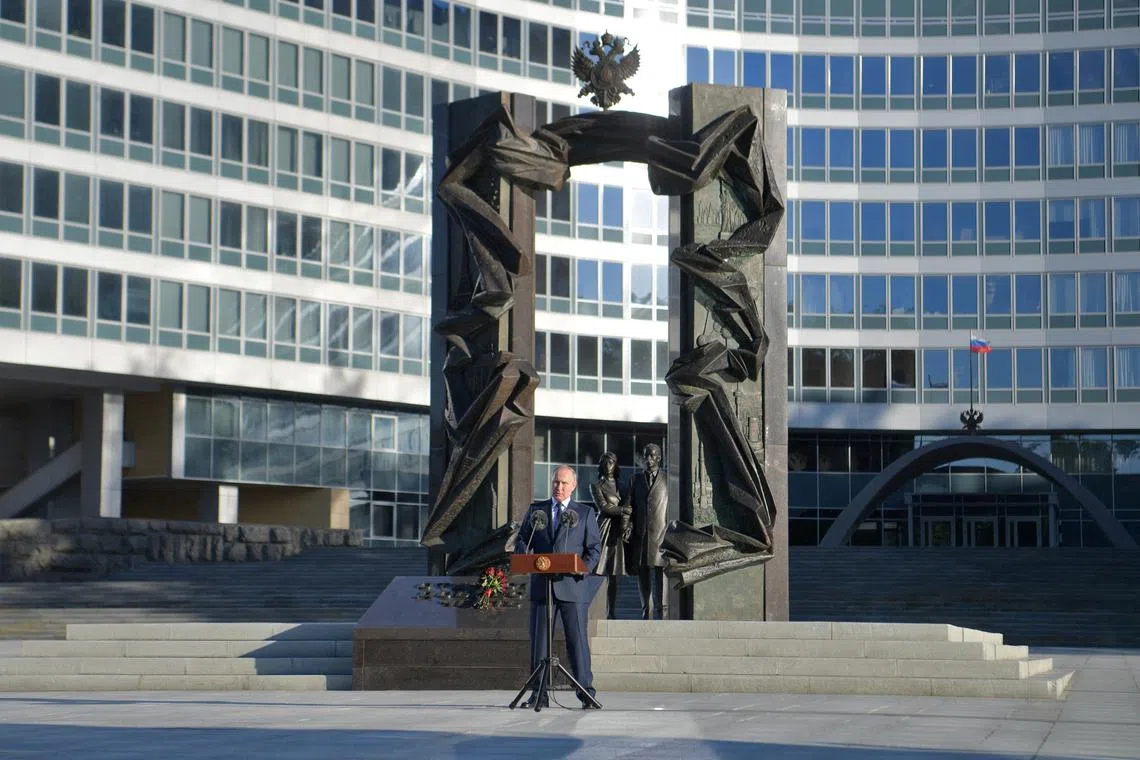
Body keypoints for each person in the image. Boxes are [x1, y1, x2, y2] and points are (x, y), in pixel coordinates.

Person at [515, 465, 602, 709]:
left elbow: (594, 548)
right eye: (555, 482)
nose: (559, 487)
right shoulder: (537, 511)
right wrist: (524, 552)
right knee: (539, 643)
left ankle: (587, 693)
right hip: (542, 588)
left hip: (573, 587)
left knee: (578, 642)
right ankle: (538, 695)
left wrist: (582, 567)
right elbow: (523, 538)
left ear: (573, 486)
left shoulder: (584, 513)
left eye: (564, 483)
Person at [626, 443, 668, 620]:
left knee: (660, 573)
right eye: (646, 456)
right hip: (641, 535)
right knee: (643, 573)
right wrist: (626, 525)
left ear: (659, 457)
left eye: (652, 456)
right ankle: (646, 610)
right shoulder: (635, 479)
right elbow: (629, 505)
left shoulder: (668, 479)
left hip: (661, 534)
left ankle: (661, 610)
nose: (648, 459)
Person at [589, 452, 631, 620]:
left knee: (615, 574)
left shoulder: (623, 485)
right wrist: (623, 510)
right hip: (605, 528)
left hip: (619, 530)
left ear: (616, 465)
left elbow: (629, 505)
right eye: (606, 463)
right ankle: (596, 609)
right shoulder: (596, 485)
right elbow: (604, 507)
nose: (608, 466)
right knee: (600, 570)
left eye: (612, 463)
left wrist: (628, 522)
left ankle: (611, 611)